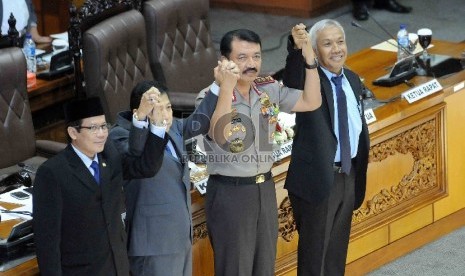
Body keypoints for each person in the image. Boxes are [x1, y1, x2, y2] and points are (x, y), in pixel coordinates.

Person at [196, 27, 322, 276]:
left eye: (256, 56)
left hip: (264, 188)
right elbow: (221, 136)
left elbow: (312, 101)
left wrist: (309, 56)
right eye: (242, 57)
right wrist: (225, 88)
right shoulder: (208, 98)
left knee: (264, 267)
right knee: (235, 269)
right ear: (224, 61)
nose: (251, 64)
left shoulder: (267, 89)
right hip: (230, 193)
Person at [33, 95, 166, 275]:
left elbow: (146, 167)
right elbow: (47, 243)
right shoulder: (52, 173)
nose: (102, 133)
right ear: (73, 133)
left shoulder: (110, 157)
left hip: (117, 268)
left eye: (104, 126)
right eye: (93, 128)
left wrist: (157, 127)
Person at [109, 78, 228, 276]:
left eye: (168, 108)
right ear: (141, 111)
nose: (165, 116)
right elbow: (137, 155)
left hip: (180, 235)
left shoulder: (173, 127)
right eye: (158, 110)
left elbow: (198, 123)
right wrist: (142, 121)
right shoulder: (120, 135)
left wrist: (217, 85)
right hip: (153, 245)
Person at [282, 19, 370, 275]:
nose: (336, 49)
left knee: (335, 256)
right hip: (318, 181)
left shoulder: (352, 79)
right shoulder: (310, 81)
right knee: (314, 259)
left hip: (348, 176)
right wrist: (297, 50)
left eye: (340, 42)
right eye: (327, 44)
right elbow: (292, 81)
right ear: (315, 51)